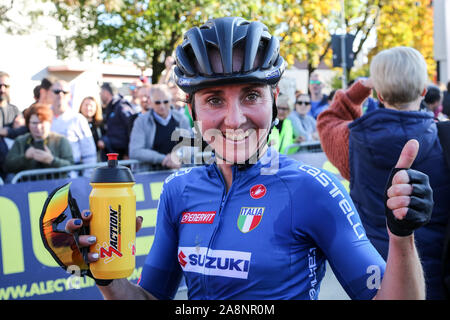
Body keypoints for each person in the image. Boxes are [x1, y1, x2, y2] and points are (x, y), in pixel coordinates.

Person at [65, 17, 432, 300]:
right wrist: (109, 279)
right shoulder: (178, 191)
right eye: (214, 100)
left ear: (274, 103)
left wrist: (401, 238)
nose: (235, 118)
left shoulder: (312, 190)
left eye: (251, 95)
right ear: (193, 111)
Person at [316, 46, 450, 300]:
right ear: (423, 91)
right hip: (434, 279)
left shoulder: (351, 141)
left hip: (376, 278)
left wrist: (360, 87)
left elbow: (328, 119)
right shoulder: (445, 142)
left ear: (378, 94)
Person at [129, 84, 191, 170]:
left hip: (178, 171)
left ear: (170, 100)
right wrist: (163, 159)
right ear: (150, 102)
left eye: (165, 102)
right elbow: (135, 151)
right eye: (157, 102)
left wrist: (177, 156)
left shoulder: (181, 119)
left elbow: (191, 145)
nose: (162, 106)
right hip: (150, 174)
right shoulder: (141, 121)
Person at [4, 104, 73, 174]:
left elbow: (70, 165)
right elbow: (8, 165)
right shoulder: (20, 141)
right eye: (34, 123)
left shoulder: (60, 140)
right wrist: (25, 158)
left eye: (42, 122)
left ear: (49, 123)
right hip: (27, 184)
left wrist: (52, 160)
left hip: (56, 183)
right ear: (28, 124)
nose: (38, 127)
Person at [50, 80, 97, 177]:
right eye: (57, 91)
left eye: (64, 92)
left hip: (72, 175)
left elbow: (89, 151)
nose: (60, 95)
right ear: (50, 94)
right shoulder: (43, 117)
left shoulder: (78, 119)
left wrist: (87, 178)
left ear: (70, 96)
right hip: (47, 176)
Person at [0, 71, 28, 180]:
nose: (2, 89)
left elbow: (23, 130)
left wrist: (7, 132)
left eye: (5, 86)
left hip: (11, 168)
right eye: (0, 85)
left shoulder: (14, 109)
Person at [99, 82, 136, 160]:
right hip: (114, 154)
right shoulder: (110, 108)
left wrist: (127, 152)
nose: (100, 95)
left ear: (106, 93)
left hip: (123, 156)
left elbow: (133, 128)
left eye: (101, 92)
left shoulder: (121, 106)